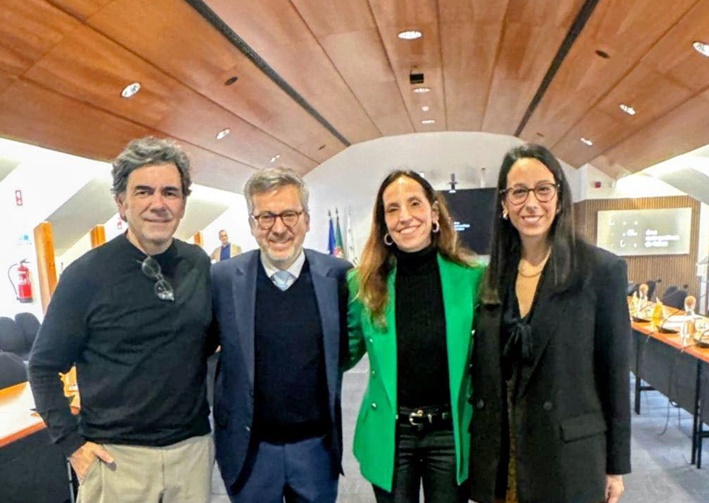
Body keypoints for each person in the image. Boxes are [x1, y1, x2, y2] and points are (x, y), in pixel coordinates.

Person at [28, 137, 214, 502]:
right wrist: (72, 446)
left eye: (170, 192)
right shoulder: (86, 275)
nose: (158, 204)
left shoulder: (198, 263)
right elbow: (43, 366)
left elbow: (205, 345)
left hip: (191, 453)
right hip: (116, 460)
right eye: (143, 192)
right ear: (121, 203)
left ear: (182, 203)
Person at [468, 144, 631, 503]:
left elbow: (615, 374)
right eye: (519, 192)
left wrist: (615, 466)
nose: (531, 203)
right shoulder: (491, 276)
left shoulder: (600, 271)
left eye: (543, 189)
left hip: (568, 454)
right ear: (504, 203)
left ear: (559, 197)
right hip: (504, 452)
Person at [210, 167, 351, 502]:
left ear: (306, 220)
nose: (278, 228)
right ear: (252, 224)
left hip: (316, 451)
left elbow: (350, 348)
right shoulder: (222, 280)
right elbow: (199, 353)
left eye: (289, 214)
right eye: (266, 217)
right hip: (251, 453)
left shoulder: (338, 277)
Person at [347, 170, 484, 503]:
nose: (404, 217)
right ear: (383, 223)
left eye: (414, 204)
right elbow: (342, 352)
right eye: (392, 209)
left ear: (434, 213)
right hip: (392, 433)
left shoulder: (472, 279)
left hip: (450, 433)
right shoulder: (363, 284)